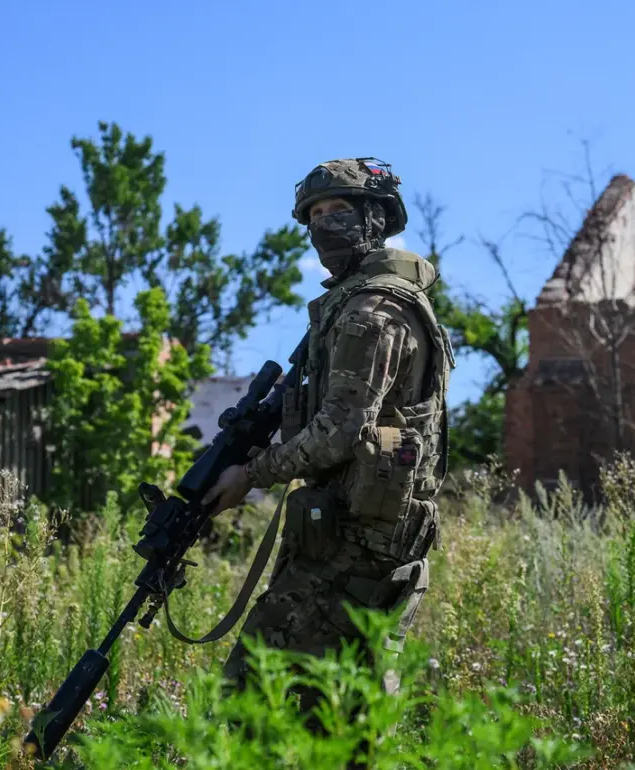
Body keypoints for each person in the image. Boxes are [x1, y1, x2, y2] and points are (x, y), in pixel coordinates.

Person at [201, 157, 455, 736]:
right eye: (314, 215)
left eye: (338, 210)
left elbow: (340, 430)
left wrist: (252, 473)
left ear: (375, 218)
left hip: (358, 541)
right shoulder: (363, 302)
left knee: (249, 697)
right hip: (357, 530)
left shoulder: (372, 312)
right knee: (337, 713)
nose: (324, 225)